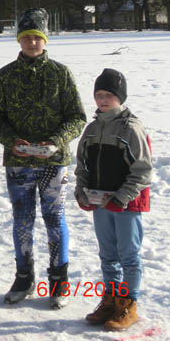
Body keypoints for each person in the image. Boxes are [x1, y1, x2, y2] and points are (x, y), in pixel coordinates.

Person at [0, 8, 86, 309]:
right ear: (19, 40)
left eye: (36, 38)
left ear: (44, 40)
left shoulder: (60, 73)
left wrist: (56, 142)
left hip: (53, 163)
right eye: (26, 38)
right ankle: (24, 277)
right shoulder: (6, 75)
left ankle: (59, 281)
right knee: (22, 221)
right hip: (18, 163)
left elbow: (77, 117)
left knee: (55, 220)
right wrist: (11, 141)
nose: (31, 43)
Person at [74, 69, 153, 332]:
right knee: (108, 255)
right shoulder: (93, 128)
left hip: (126, 205)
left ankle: (128, 303)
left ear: (120, 97)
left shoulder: (131, 128)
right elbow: (82, 166)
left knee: (128, 256)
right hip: (100, 204)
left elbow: (142, 170)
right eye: (99, 95)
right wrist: (82, 191)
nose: (103, 100)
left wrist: (121, 198)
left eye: (109, 95)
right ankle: (111, 300)